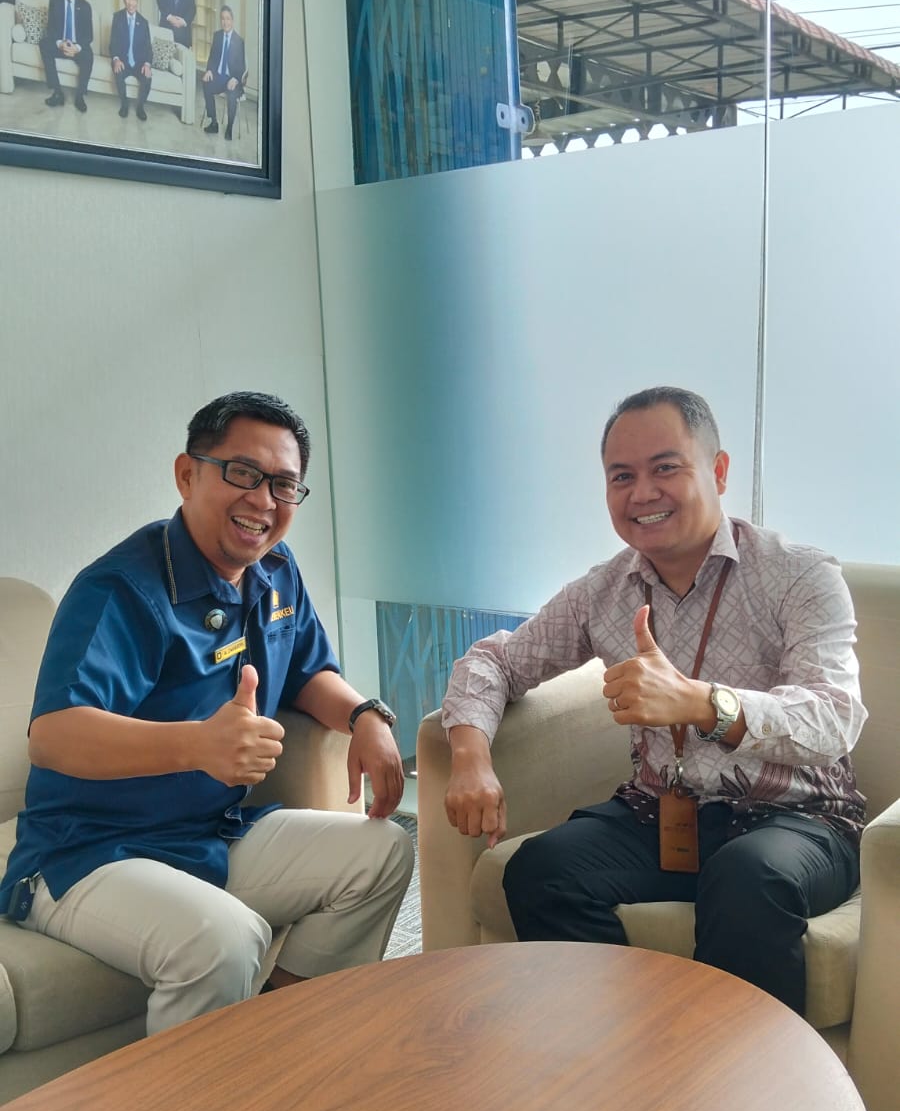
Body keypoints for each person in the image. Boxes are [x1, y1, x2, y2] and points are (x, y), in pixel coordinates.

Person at [441, 386, 866, 1014]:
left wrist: (702, 703)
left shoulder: (800, 576)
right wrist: (470, 756)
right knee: (540, 869)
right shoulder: (603, 591)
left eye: (666, 468)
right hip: (662, 811)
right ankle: (626, 1045)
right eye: (622, 476)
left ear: (718, 471)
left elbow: (834, 717)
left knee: (747, 877)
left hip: (797, 819)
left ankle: (750, 1072)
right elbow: (494, 660)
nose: (642, 493)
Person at [0, 391, 413, 1034]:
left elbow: (309, 673)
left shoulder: (276, 570)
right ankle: (193, 1099)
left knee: (381, 852)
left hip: (211, 832)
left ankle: (282, 1032)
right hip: (88, 853)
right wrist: (197, 745)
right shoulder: (122, 588)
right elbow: (54, 735)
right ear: (187, 474)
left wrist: (366, 716)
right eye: (243, 473)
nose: (264, 500)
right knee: (224, 939)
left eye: (283, 484)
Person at [40, 0, 94, 112]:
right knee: (44, 43)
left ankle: (80, 96)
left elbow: (89, 36)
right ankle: (57, 92)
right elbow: (51, 29)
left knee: (89, 54)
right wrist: (60, 44)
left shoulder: (85, 5)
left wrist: (76, 48)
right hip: (61, 45)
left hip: (76, 47)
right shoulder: (54, 0)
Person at [202, 5, 246, 142]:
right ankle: (214, 122)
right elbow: (212, 57)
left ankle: (229, 127)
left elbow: (241, 66)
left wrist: (236, 79)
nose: (225, 22)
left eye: (227, 19)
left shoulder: (239, 41)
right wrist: (209, 70)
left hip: (231, 78)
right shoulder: (217, 36)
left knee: (232, 94)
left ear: (232, 21)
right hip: (219, 76)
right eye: (222, 19)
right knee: (206, 83)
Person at [109, 0, 152, 119]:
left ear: (137, 1)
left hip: (139, 63)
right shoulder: (117, 17)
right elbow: (113, 43)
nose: (131, 2)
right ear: (124, 0)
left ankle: (140, 107)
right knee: (118, 72)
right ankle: (124, 104)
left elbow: (148, 48)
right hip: (123, 61)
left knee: (147, 77)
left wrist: (147, 64)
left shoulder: (143, 22)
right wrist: (116, 59)